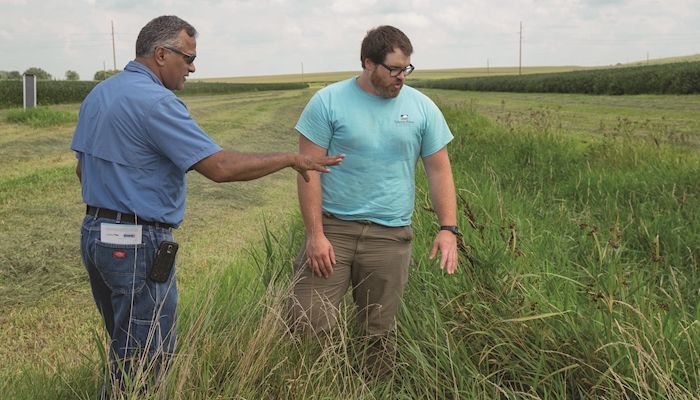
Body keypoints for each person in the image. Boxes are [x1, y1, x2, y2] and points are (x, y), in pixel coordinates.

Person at [70, 15, 343, 393]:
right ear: (161, 54)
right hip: (136, 244)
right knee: (146, 361)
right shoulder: (157, 102)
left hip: (95, 237)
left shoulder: (100, 94)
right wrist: (292, 159)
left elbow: (83, 170)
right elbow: (219, 167)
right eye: (187, 57)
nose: (193, 67)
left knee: (125, 349)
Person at [288, 25, 459, 376]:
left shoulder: (422, 108)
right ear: (368, 63)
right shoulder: (328, 101)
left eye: (406, 68)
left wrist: (448, 228)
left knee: (378, 335)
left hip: (390, 236)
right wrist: (315, 235)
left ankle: (373, 387)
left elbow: (439, 170)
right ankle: (313, 385)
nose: (401, 77)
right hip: (333, 231)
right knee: (307, 321)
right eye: (393, 69)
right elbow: (308, 171)